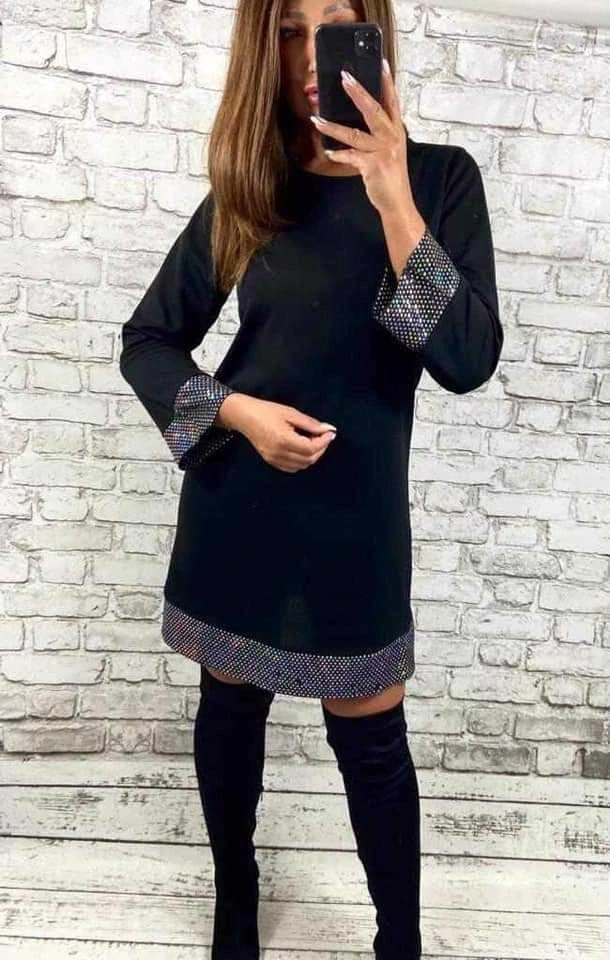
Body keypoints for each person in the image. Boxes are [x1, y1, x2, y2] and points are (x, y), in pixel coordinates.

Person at [119, 0, 503, 957]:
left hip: (354, 523)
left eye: (333, 25)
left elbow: (464, 359)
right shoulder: (255, 189)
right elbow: (149, 340)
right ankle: (236, 901)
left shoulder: (441, 180)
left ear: (371, 33)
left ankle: (399, 939)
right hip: (237, 509)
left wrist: (391, 191)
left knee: (372, 746)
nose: (307, 53)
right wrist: (237, 413)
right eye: (288, 28)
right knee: (229, 714)